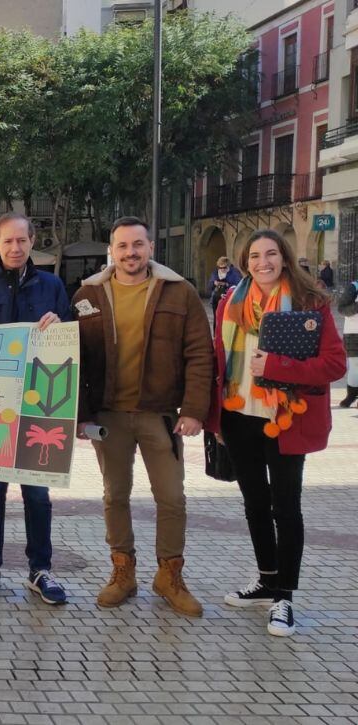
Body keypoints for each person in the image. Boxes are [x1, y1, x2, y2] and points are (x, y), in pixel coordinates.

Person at [206, 230, 345, 636]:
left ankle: (284, 596)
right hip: (239, 417)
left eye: (270, 254)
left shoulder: (309, 303)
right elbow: (219, 363)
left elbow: (334, 365)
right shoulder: (230, 303)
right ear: (243, 261)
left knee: (286, 507)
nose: (262, 262)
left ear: (284, 258)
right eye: (253, 255)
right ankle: (266, 579)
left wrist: (278, 368)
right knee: (254, 503)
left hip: (286, 420)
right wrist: (215, 420)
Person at [73, 216, 213, 618]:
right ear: (111, 252)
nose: (130, 253)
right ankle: (123, 572)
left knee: (171, 496)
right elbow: (75, 356)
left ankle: (169, 574)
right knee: (115, 495)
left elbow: (200, 353)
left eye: (138, 245)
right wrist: (81, 416)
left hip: (160, 415)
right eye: (122, 246)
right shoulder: (89, 294)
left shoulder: (178, 292)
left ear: (151, 248)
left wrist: (194, 410)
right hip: (109, 415)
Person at [0, 212, 71, 605]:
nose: (16, 248)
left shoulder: (52, 286)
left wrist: (60, 324)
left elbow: (69, 341)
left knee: (38, 495)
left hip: (41, 407)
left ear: (32, 240)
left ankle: (41, 568)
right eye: (8, 241)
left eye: (22, 240)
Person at [339, 279, 358, 408]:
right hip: (354, 333)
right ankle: (351, 395)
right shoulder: (354, 286)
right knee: (355, 366)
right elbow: (341, 309)